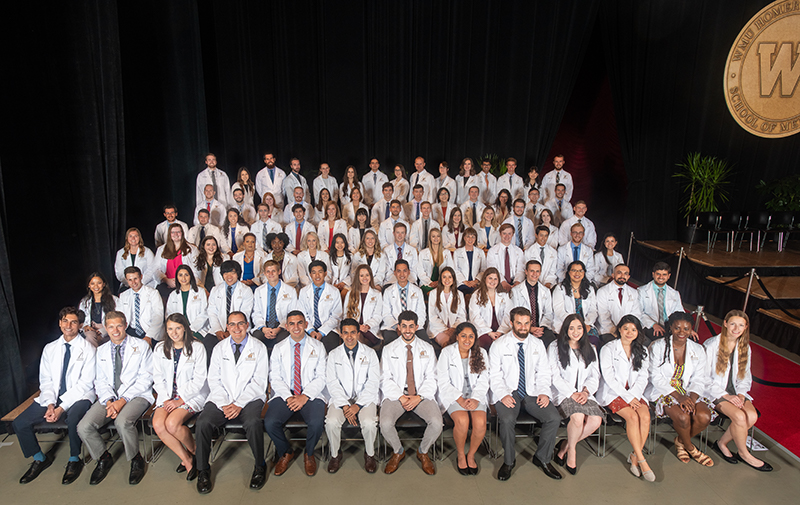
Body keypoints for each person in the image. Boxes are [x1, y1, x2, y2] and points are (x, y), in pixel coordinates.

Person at [14, 307, 95, 485]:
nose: (69, 325)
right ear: (59, 323)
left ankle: (74, 459)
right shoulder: (50, 349)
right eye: (65, 321)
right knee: (19, 423)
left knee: (73, 418)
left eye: (73, 322)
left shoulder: (88, 349)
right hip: (53, 395)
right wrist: (50, 404)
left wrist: (60, 408)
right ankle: (39, 458)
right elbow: (46, 380)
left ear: (80, 325)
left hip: (79, 395)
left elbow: (85, 384)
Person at [195, 311, 269, 494]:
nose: (236, 328)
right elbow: (214, 380)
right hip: (222, 398)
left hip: (249, 398)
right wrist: (225, 403)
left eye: (240, 324)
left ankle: (260, 465)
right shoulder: (220, 348)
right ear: (227, 327)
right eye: (232, 324)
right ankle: (203, 469)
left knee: (252, 422)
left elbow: (259, 381)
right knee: (203, 422)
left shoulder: (259, 347)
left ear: (247, 325)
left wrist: (239, 404)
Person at [77, 311, 153, 485]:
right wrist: (110, 401)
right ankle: (103, 457)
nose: (115, 330)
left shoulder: (141, 346)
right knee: (84, 426)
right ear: (106, 328)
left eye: (119, 325)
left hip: (137, 395)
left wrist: (122, 400)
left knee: (122, 422)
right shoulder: (101, 350)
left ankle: (136, 459)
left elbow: (146, 378)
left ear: (125, 325)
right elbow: (100, 380)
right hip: (110, 397)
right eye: (110, 326)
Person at [490, 307, 562, 481]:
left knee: (554, 418)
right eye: (519, 323)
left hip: (532, 392)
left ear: (531, 323)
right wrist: (502, 394)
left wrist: (544, 392)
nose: (523, 327)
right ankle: (508, 462)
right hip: (509, 392)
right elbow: (494, 375)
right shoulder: (499, 345)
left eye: (526, 323)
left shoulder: (537, 344)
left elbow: (544, 373)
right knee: (507, 419)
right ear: (511, 323)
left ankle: (542, 458)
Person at [705, 310, 772, 472]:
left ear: (746, 327)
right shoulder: (712, 345)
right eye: (733, 324)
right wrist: (726, 396)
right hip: (715, 392)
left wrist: (741, 394)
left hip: (736, 391)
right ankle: (744, 454)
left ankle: (721, 443)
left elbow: (745, 376)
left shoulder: (745, 347)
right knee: (740, 417)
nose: (736, 328)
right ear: (726, 324)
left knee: (752, 416)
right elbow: (704, 378)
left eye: (741, 325)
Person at [646, 311, 714, 467]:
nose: (682, 332)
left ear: (691, 330)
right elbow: (655, 377)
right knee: (683, 417)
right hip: (664, 390)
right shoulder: (657, 346)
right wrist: (679, 397)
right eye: (677, 328)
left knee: (704, 416)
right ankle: (690, 448)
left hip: (689, 390)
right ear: (671, 328)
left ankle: (681, 441)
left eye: (686, 329)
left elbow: (699, 378)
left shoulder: (697, 349)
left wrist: (692, 399)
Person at [265, 311, 328, 477]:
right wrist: (289, 396)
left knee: (316, 422)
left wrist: (304, 396)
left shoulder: (318, 347)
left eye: (300, 323)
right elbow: (275, 377)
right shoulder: (279, 348)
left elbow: (322, 377)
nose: (296, 327)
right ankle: (285, 451)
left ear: (306, 324)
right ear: (286, 326)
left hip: (310, 393)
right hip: (285, 393)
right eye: (292, 324)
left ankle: (309, 453)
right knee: (270, 422)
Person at [380, 310, 441, 475]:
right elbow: (385, 379)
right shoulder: (388, 349)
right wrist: (401, 397)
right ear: (398, 327)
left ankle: (423, 451)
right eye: (404, 326)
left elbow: (432, 378)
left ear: (417, 327)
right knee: (385, 423)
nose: (408, 330)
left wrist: (418, 397)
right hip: (396, 395)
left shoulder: (427, 348)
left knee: (436, 423)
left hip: (421, 395)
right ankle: (398, 451)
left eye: (411, 326)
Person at [152, 314, 209, 482]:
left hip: (191, 396)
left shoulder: (197, 347)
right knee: (158, 424)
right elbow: (158, 377)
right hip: (167, 396)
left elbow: (199, 380)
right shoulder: (160, 348)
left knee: (171, 424)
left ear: (185, 327)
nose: (174, 332)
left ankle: (195, 450)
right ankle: (187, 459)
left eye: (178, 328)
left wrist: (180, 400)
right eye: (170, 328)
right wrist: (166, 399)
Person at [597, 315, 655, 481]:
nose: (629, 332)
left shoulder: (642, 351)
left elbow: (643, 376)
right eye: (626, 328)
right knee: (632, 417)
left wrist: (634, 395)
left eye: (633, 329)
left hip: (635, 393)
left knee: (645, 416)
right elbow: (609, 377)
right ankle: (642, 460)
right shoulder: (608, 349)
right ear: (619, 330)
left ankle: (634, 456)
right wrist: (627, 397)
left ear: (638, 332)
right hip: (614, 392)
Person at [548, 314, 603, 475]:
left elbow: (595, 375)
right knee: (578, 418)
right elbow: (554, 376)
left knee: (596, 420)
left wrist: (586, 392)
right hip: (564, 393)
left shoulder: (590, 348)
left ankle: (565, 446)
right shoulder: (554, 347)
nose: (576, 331)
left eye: (579, 327)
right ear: (565, 330)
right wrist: (573, 393)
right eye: (571, 328)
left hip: (584, 393)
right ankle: (572, 452)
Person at [324, 318, 381, 473]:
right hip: (341, 399)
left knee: (369, 423)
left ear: (358, 333)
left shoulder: (370, 353)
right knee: (331, 422)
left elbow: (373, 382)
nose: (349, 336)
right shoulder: (333, 355)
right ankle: (335, 454)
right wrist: (344, 405)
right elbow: (332, 382)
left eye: (353, 332)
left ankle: (370, 454)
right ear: (341, 334)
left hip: (364, 399)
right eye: (345, 333)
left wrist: (358, 405)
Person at [437, 322, 489, 475]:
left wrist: (476, 398)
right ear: (457, 337)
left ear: (475, 338)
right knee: (462, 421)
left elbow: (484, 379)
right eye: (464, 336)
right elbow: (443, 381)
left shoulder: (482, 353)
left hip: (475, 396)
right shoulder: (447, 353)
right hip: (454, 396)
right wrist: (459, 399)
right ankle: (460, 454)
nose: (467, 340)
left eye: (471, 336)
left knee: (480, 423)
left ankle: (471, 455)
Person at [206, 260, 255, 356]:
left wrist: (231, 330)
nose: (229, 276)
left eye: (232, 273)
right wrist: (218, 330)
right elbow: (212, 312)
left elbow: (245, 314)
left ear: (238, 274)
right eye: (225, 273)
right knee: (208, 344)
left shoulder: (246, 290)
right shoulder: (215, 290)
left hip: (238, 329)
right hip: (218, 330)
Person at [508, 260, 556, 349]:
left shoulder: (545, 291)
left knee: (552, 343)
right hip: (522, 327)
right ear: (526, 272)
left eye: (537, 271)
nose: (535, 274)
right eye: (532, 271)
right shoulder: (516, 291)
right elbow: (514, 313)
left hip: (541, 328)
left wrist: (541, 328)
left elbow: (548, 313)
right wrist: (530, 328)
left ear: (540, 272)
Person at [298, 260, 343, 352]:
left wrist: (321, 332)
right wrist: (310, 330)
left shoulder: (334, 291)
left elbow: (336, 316)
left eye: (320, 272)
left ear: (325, 273)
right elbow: (302, 314)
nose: (317, 275)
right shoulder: (303, 291)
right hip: (308, 328)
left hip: (329, 329)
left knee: (329, 348)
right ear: (310, 274)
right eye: (314, 272)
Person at [252, 259, 296, 353]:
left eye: (273, 271)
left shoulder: (290, 290)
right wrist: (263, 328)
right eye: (268, 271)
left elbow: (292, 314)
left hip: (283, 325)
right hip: (264, 324)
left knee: (284, 341)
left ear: (279, 272)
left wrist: (279, 328)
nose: (270, 273)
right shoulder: (259, 291)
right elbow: (256, 313)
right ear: (264, 273)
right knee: (255, 340)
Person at [552, 261, 599, 345]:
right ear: (568, 272)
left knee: (593, 340)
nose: (577, 273)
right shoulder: (560, 288)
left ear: (584, 273)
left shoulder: (590, 289)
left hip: (586, 324)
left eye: (580, 271)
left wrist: (585, 324)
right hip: (566, 324)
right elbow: (559, 311)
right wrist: (575, 325)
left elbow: (593, 310)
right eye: (574, 270)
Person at [381, 260, 428, 344]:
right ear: (394, 273)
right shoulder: (388, 291)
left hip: (414, 328)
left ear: (409, 272)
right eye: (399, 271)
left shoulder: (417, 291)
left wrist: (411, 328)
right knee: (391, 347)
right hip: (394, 328)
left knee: (425, 346)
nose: (402, 274)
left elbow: (421, 313)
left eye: (404, 271)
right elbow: (386, 314)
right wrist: (399, 327)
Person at [596, 264, 644, 344]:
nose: (622, 276)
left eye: (625, 273)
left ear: (628, 277)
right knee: (614, 345)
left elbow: (636, 314)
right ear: (613, 275)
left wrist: (628, 331)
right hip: (609, 331)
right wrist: (618, 332)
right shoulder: (602, 292)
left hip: (629, 332)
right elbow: (603, 317)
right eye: (619, 273)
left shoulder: (634, 293)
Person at [118, 266, 164, 346]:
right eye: (130, 280)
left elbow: (158, 317)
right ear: (126, 280)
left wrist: (149, 336)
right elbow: (120, 316)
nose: (133, 282)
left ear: (141, 277)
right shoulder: (123, 295)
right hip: (130, 331)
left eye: (135, 278)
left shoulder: (153, 293)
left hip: (148, 331)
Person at [638, 261, 685, 340]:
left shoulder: (675, 293)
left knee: (690, 338)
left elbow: (680, 312)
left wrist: (685, 327)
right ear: (653, 274)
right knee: (661, 338)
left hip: (670, 325)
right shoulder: (641, 291)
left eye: (664, 274)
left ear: (669, 276)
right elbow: (639, 312)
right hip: (651, 325)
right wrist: (654, 324)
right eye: (658, 274)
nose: (661, 277)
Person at [153, 223, 200, 299]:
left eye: (178, 232)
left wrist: (183, 282)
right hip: (167, 284)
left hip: (186, 284)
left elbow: (196, 270)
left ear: (182, 233)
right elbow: (155, 269)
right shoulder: (161, 249)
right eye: (173, 232)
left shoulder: (192, 249)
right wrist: (166, 280)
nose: (175, 234)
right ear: (169, 234)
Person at [165, 265, 209, 345]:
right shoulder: (173, 295)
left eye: (186, 275)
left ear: (191, 276)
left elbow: (204, 313)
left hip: (197, 329)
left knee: (192, 343)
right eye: (180, 275)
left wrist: (191, 329)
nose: (183, 278)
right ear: (177, 277)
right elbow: (169, 314)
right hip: (178, 330)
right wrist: (178, 329)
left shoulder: (200, 292)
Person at [469, 267, 512, 350]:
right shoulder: (476, 295)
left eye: (495, 279)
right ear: (485, 279)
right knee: (487, 344)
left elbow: (508, 314)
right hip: (483, 330)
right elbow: (475, 317)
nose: (493, 281)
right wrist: (489, 332)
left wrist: (500, 331)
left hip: (502, 330)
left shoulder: (504, 295)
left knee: (507, 344)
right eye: (490, 278)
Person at [343, 264, 383, 347]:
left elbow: (378, 316)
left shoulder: (377, 294)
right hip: (354, 329)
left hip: (370, 330)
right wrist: (357, 326)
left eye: (367, 275)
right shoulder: (350, 293)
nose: (365, 278)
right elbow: (346, 315)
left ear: (371, 276)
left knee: (355, 337)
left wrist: (367, 326)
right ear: (358, 277)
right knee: (356, 336)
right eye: (361, 275)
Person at [428, 266, 466, 347]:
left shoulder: (459, 294)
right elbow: (432, 317)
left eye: (450, 277)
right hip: (438, 329)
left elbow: (462, 316)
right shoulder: (433, 294)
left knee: (461, 344)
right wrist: (445, 329)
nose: (447, 280)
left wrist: (453, 328)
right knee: (448, 344)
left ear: (453, 279)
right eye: (444, 277)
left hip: (455, 329)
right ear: (440, 279)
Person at [78, 272, 119, 347]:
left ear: (104, 284)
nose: (96, 286)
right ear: (89, 286)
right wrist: (85, 326)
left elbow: (118, 319)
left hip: (108, 330)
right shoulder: (85, 301)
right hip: (91, 331)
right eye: (92, 283)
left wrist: (102, 331)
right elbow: (80, 319)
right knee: (89, 336)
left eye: (99, 283)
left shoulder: (114, 300)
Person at [486, 223, 525, 292]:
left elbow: (520, 269)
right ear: (500, 234)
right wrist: (503, 282)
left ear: (513, 234)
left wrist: (517, 282)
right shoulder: (492, 251)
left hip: (515, 283)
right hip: (498, 283)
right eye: (504, 233)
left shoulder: (518, 251)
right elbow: (493, 269)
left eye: (509, 233)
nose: (507, 236)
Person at [417, 228, 453, 296]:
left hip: (443, 283)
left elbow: (450, 270)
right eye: (433, 236)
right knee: (432, 294)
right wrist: (430, 282)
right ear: (430, 238)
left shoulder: (446, 253)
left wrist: (440, 282)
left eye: (438, 236)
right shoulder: (423, 253)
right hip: (426, 284)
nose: (436, 238)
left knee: (442, 293)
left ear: (440, 238)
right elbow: (420, 271)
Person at [454, 227, 485, 295]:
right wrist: (465, 282)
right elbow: (455, 269)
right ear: (464, 238)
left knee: (478, 292)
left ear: (476, 238)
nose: (470, 239)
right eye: (468, 236)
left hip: (476, 283)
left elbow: (483, 269)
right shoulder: (457, 252)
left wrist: (476, 281)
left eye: (473, 237)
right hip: (462, 283)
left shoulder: (480, 252)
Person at [330, 233, 352, 298]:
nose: (340, 245)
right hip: (333, 283)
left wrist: (344, 283)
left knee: (343, 294)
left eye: (342, 242)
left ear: (345, 243)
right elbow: (328, 272)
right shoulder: (330, 257)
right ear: (334, 244)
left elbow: (352, 273)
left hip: (346, 284)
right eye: (337, 242)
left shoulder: (351, 256)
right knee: (333, 294)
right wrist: (334, 284)